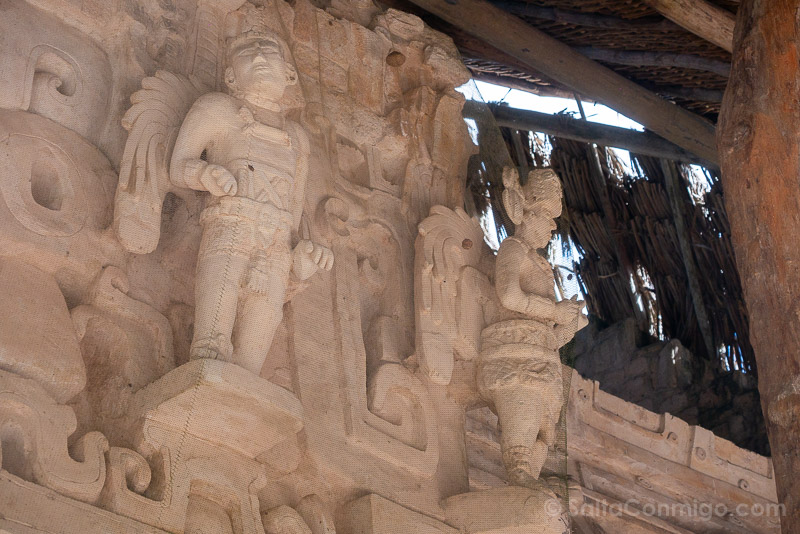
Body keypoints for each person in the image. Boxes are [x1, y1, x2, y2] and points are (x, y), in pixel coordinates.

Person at [169, 27, 332, 375]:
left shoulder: (297, 138)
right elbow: (178, 165)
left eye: (269, 52)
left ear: (289, 74)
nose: (259, 58)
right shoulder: (217, 109)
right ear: (230, 75)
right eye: (247, 53)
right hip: (229, 228)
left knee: (254, 348)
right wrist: (204, 175)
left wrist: (301, 255)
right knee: (211, 342)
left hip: (274, 244)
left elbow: (294, 211)